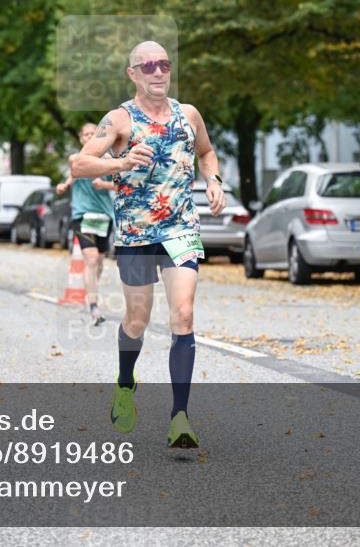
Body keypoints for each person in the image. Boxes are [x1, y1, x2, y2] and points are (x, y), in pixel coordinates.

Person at [72, 40, 225, 449]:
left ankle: (180, 417)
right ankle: (126, 381)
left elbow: (207, 153)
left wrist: (213, 181)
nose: (158, 71)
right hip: (136, 235)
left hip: (180, 229)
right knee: (137, 320)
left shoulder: (189, 114)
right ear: (133, 74)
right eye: (148, 65)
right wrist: (120, 162)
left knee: (184, 315)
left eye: (164, 64)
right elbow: (80, 164)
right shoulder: (118, 119)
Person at [56, 122, 117, 327]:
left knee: (98, 261)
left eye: (93, 133)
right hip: (83, 215)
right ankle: (93, 307)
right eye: (86, 134)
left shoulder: (109, 160)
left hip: (104, 216)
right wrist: (65, 185)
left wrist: (104, 184)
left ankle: (92, 289)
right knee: (90, 259)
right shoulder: (78, 158)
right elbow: (73, 168)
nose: (89, 137)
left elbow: (121, 186)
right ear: (81, 138)